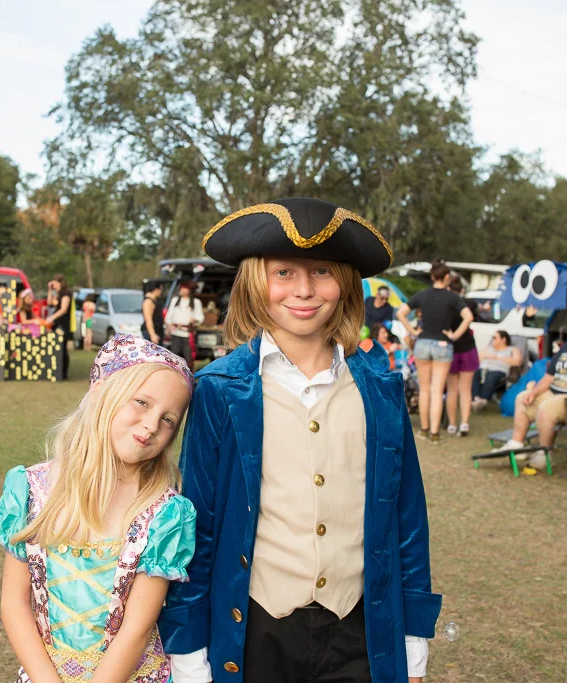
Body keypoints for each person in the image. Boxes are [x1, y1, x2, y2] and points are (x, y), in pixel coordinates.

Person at [160, 198, 440, 683]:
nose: (304, 290)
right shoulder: (220, 390)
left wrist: (414, 644)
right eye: (284, 272)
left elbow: (408, 520)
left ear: (345, 282)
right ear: (255, 282)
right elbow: (197, 528)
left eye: (322, 272)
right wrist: (189, 657)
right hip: (255, 631)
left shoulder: (381, 390)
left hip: (360, 629)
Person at [0, 333, 196, 683]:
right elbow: (14, 603)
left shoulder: (164, 513)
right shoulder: (29, 490)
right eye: (142, 403)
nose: (151, 425)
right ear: (100, 392)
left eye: (168, 420)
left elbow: (137, 627)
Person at [494, 310, 567, 469]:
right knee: (522, 397)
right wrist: (533, 392)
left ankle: (544, 454)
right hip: (554, 393)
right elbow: (549, 377)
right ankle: (517, 444)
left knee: (546, 408)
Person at [395, 260, 473, 444]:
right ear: (447, 277)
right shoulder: (452, 298)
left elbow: (400, 313)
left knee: (424, 390)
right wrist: (454, 336)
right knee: (437, 391)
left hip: (422, 343)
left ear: (431, 276)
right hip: (443, 345)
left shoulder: (422, 295)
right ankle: (435, 433)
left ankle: (424, 429)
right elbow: (468, 317)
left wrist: (413, 331)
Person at [445, 274, 478, 437]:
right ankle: (464, 423)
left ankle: (452, 424)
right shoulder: (469, 304)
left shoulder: (446, 306)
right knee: (465, 390)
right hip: (468, 348)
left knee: (452, 390)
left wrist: (452, 336)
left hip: (450, 349)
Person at [471, 330, 522, 409]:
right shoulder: (488, 348)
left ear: (503, 340)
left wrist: (498, 358)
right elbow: (476, 360)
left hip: (499, 370)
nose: (492, 339)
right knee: (475, 373)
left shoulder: (512, 349)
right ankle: (476, 398)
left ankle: (483, 399)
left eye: (495, 337)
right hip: (483, 368)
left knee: (491, 376)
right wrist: (486, 356)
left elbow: (517, 362)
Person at [165, 278, 204, 368]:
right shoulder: (175, 300)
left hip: (188, 333)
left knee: (188, 355)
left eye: (185, 288)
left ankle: (189, 372)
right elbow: (168, 316)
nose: (182, 290)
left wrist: (195, 320)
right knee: (174, 354)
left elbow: (200, 317)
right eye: (182, 288)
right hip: (176, 332)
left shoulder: (196, 302)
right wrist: (170, 325)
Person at [45, 274, 72, 379]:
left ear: (61, 283)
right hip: (57, 325)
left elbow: (63, 309)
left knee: (63, 349)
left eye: (55, 283)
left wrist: (52, 317)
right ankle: (59, 371)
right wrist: (50, 290)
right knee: (58, 348)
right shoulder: (59, 294)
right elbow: (49, 302)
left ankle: (64, 373)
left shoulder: (66, 294)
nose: (54, 285)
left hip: (63, 325)